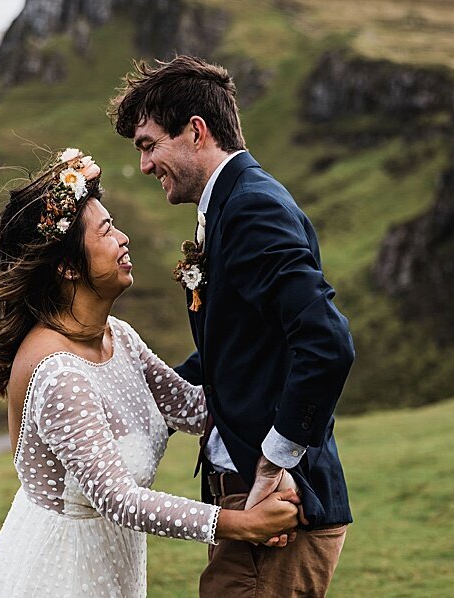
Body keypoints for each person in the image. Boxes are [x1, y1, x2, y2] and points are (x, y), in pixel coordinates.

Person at [0, 149, 302, 596]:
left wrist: (284, 360)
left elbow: (193, 407)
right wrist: (243, 524)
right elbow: (118, 499)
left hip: (113, 564)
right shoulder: (59, 375)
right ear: (67, 267)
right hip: (63, 572)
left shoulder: (118, 337)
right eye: (107, 230)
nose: (123, 238)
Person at [110, 55, 355, 596]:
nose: (146, 165)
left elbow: (327, 343)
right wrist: (120, 391)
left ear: (196, 131)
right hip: (246, 508)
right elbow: (233, 352)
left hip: (277, 508)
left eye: (149, 145)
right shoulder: (231, 204)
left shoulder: (250, 209)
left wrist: (273, 461)